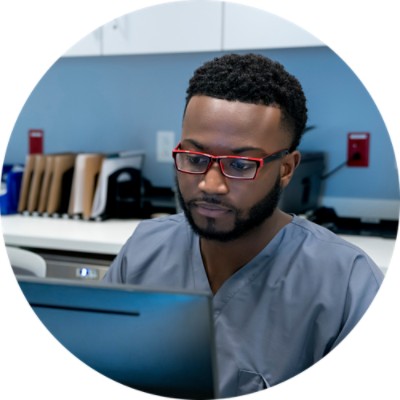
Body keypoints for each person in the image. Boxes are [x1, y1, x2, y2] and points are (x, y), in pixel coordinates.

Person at [104, 53, 383, 398]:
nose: (210, 184)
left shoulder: (348, 285)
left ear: (286, 169)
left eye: (239, 164)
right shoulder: (146, 249)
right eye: (194, 158)